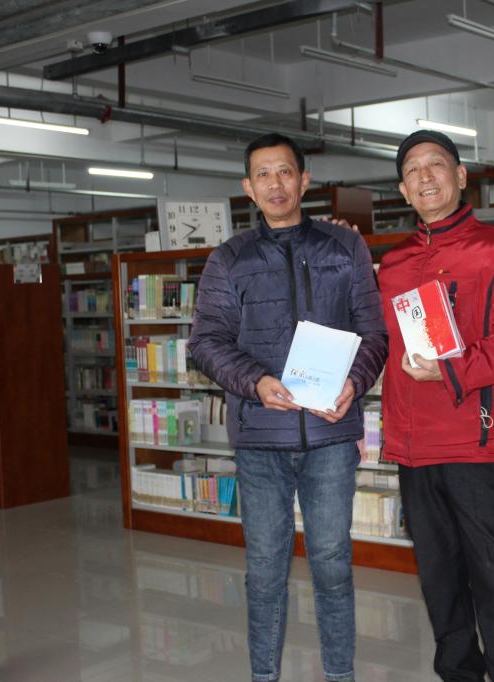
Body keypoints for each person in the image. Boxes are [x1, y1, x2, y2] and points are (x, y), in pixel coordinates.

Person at [188, 132, 387, 682]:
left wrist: (355, 381)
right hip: (260, 439)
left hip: (330, 436)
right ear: (248, 188)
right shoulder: (228, 260)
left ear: (304, 180)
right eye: (263, 175)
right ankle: (264, 676)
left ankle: (340, 676)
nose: (275, 184)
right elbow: (205, 341)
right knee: (264, 569)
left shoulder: (344, 248)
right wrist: (256, 382)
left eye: (285, 172)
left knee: (332, 563)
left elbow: (374, 332)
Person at [377, 130, 494, 682]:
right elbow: (379, 342)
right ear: (403, 191)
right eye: (413, 171)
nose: (425, 177)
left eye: (436, 165)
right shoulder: (394, 263)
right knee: (440, 583)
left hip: (475, 441)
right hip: (412, 446)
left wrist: (452, 368)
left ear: (461, 176)